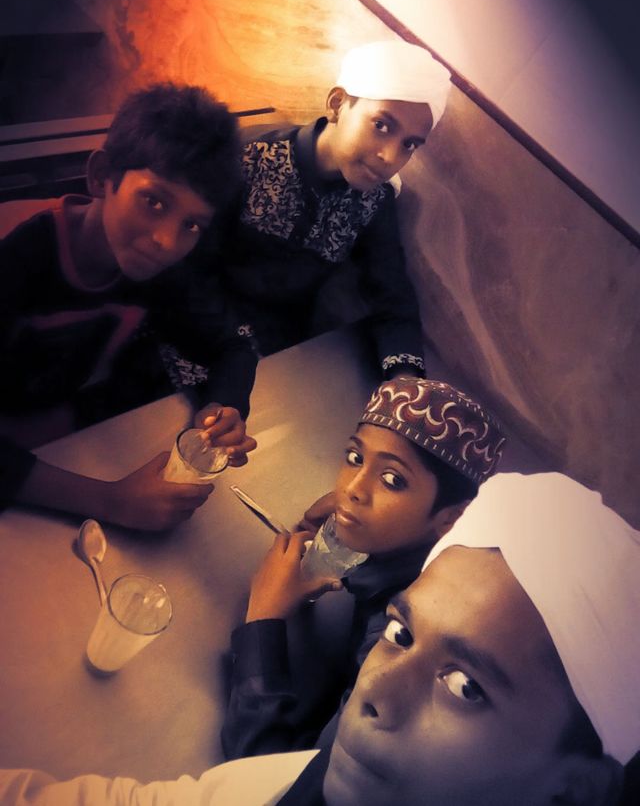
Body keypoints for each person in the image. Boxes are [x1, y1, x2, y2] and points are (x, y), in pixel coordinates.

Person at [2, 472, 638, 805]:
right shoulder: (307, 781)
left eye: (466, 686)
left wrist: (263, 622)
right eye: (400, 632)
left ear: (574, 790)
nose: (374, 695)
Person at [0, 83, 257, 532]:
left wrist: (225, 409)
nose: (166, 242)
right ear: (102, 176)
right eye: (153, 201)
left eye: (191, 225)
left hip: (56, 440)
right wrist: (110, 501)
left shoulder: (156, 270)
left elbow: (233, 346)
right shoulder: (15, 256)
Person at [221, 375, 505, 759]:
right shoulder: (422, 548)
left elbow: (269, 770)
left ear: (450, 519)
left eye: (392, 480)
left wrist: (263, 617)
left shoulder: (403, 637)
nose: (352, 488)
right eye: (355, 458)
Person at [216, 40, 451, 372]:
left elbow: (391, 293)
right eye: (381, 126)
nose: (390, 157)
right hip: (196, 332)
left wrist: (404, 376)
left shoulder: (374, 199)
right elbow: (191, 262)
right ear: (337, 104)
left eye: (409, 145)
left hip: (281, 357)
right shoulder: (252, 155)